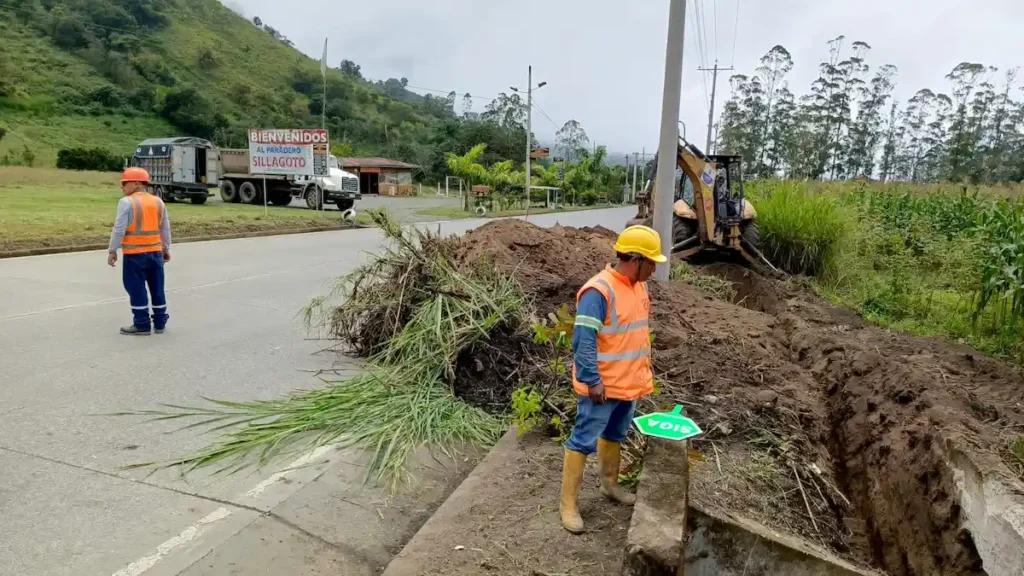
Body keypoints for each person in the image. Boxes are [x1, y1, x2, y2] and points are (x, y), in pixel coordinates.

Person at [559, 225, 666, 534]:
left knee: (615, 435)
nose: (655, 268)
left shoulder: (638, 287)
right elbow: (584, 340)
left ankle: (610, 485)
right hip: (601, 388)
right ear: (634, 259)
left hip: (628, 384)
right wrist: (592, 380)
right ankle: (568, 505)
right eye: (651, 262)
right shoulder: (599, 291)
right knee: (583, 441)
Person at [107, 167, 171, 335]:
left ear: (136, 183)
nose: (122, 187)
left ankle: (142, 324)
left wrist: (113, 250)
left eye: (124, 183)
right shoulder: (158, 202)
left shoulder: (127, 202)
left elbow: (119, 229)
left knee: (136, 288)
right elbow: (165, 229)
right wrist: (166, 248)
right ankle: (160, 323)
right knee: (157, 288)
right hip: (156, 253)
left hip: (134, 255)